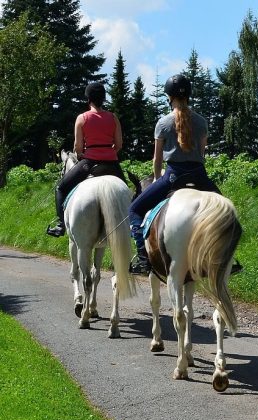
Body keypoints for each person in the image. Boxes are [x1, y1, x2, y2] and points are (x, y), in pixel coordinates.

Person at [128, 73, 222, 274]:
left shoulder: (163, 123)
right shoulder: (202, 122)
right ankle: (224, 258)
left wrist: (156, 179)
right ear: (189, 95)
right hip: (199, 175)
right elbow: (202, 152)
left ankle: (142, 258)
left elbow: (157, 159)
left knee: (134, 210)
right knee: (225, 212)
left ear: (169, 97)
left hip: (172, 176)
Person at [47, 82, 126, 237]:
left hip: (89, 163)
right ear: (103, 98)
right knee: (129, 193)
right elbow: (119, 145)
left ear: (88, 99)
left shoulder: (82, 118)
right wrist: (108, 154)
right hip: (112, 164)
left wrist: (84, 154)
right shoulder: (113, 117)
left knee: (60, 188)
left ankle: (61, 225)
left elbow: (77, 147)